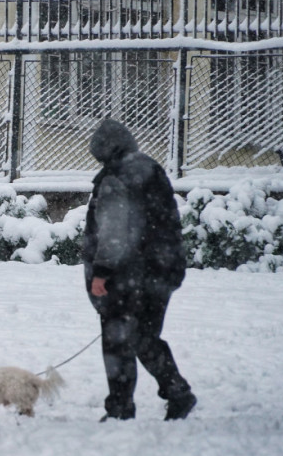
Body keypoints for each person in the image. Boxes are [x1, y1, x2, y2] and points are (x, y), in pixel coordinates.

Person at [82, 119, 197, 421]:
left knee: (118, 340)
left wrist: (102, 272)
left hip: (128, 275)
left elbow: (115, 230)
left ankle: (121, 408)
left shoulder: (117, 177)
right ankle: (178, 393)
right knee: (144, 337)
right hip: (162, 270)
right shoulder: (150, 170)